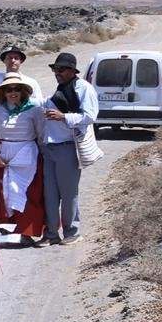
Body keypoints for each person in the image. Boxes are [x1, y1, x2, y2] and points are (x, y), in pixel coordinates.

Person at [39, 51, 98, 244]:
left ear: (72, 70)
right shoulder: (61, 88)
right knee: (50, 194)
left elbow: (90, 116)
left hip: (68, 146)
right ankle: (51, 233)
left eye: (62, 69)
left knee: (68, 192)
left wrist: (63, 117)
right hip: (50, 147)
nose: (58, 73)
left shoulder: (84, 88)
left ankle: (71, 232)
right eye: (56, 69)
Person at [0, 77, 47, 246]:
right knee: (6, 195)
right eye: (9, 90)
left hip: (27, 157)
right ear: (3, 93)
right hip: (4, 158)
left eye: (17, 89)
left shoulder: (34, 110)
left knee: (30, 195)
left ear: (23, 91)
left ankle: (26, 233)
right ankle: (9, 232)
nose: (13, 93)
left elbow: (41, 135)